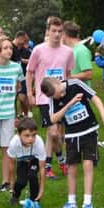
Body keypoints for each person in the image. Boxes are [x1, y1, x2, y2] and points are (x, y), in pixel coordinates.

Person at [41, 77, 104, 208]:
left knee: (88, 165)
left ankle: (87, 203)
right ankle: (71, 202)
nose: (61, 96)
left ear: (57, 82)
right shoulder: (52, 98)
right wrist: (69, 104)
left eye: (61, 92)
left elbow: (95, 98)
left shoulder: (75, 84)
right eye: (58, 96)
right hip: (71, 135)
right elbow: (53, 119)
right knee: (72, 167)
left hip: (89, 130)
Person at [26, 16, 74, 179]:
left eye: (60, 31)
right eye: (53, 31)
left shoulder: (68, 52)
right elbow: (30, 72)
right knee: (52, 131)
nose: (57, 34)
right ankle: (54, 163)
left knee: (56, 133)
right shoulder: (38, 50)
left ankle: (55, 161)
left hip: (61, 96)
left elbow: (68, 75)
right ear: (48, 31)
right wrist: (29, 93)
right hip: (44, 97)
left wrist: (69, 94)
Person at [0, 36, 24, 193]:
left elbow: (18, 86)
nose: (9, 50)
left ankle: (6, 181)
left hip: (9, 114)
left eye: (10, 48)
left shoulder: (16, 67)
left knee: (7, 148)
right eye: (5, 48)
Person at [7, 118, 46, 208]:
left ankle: (34, 200)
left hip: (35, 159)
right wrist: (12, 183)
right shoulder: (14, 143)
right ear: (19, 134)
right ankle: (15, 196)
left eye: (33, 135)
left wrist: (41, 190)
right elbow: (11, 165)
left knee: (32, 175)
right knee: (21, 182)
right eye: (27, 136)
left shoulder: (39, 142)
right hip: (21, 160)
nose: (31, 139)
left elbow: (42, 169)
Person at [11, 31, 32, 117]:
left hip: (21, 77)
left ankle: (26, 114)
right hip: (11, 76)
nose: (25, 43)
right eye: (24, 40)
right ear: (19, 38)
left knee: (22, 98)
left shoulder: (24, 50)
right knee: (13, 99)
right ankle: (15, 117)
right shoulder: (10, 47)